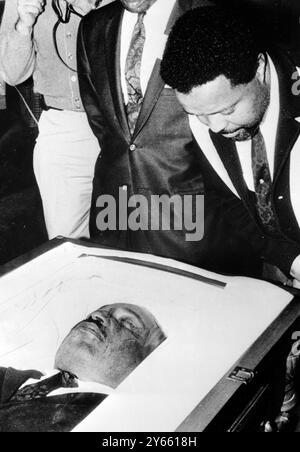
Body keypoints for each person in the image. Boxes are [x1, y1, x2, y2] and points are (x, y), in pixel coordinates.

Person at [77, 0, 254, 276]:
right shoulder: (93, 26)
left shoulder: (208, 14)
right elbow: (102, 123)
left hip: (194, 220)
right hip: (115, 215)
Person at [161, 6, 300, 287]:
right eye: (197, 113)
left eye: (228, 109)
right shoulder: (209, 114)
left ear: (259, 70)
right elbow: (230, 201)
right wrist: (290, 260)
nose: (215, 127)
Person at [0, 0, 113, 240]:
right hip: (64, 131)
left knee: (132, 231)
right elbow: (12, 74)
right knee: (67, 240)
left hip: (118, 124)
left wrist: (96, 11)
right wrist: (24, 25)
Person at [0, 303, 166, 432]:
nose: (97, 315)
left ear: (146, 365)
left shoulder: (114, 425)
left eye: (129, 323)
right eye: (100, 311)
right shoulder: (8, 376)